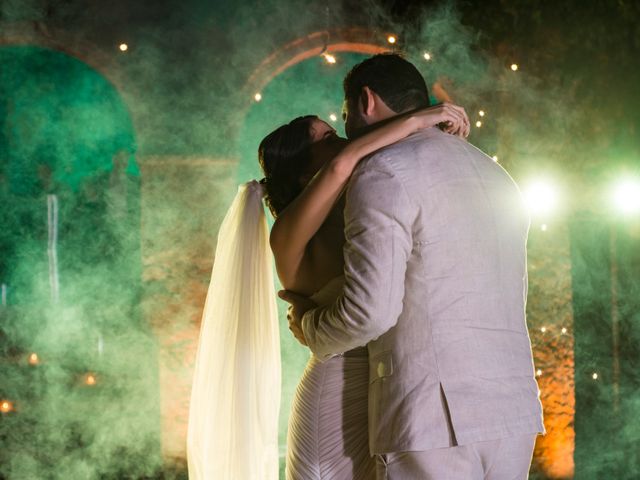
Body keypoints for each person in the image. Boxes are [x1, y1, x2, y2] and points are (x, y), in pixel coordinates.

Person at [282, 53, 545, 480]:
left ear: (366, 102)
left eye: (346, 116)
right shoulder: (497, 175)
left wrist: (310, 327)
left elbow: (371, 312)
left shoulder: (383, 170)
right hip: (513, 410)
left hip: (432, 414)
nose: (347, 133)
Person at [186, 88, 469, 478]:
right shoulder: (286, 233)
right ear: (305, 172)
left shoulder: (363, 208)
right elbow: (343, 164)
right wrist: (420, 119)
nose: (341, 140)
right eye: (326, 138)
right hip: (333, 394)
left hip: (388, 389)